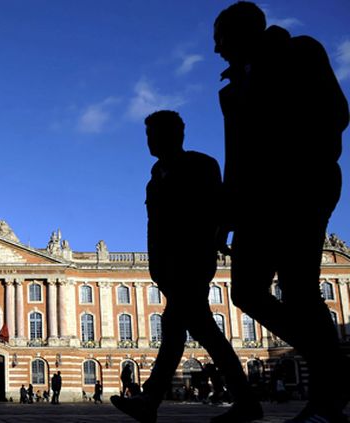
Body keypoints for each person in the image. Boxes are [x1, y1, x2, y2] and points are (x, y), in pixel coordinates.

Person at [214, 2, 349, 422]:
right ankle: (334, 364)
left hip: (303, 184)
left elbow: (337, 114)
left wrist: (293, 156)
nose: (218, 50)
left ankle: (327, 398)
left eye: (221, 40)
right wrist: (226, 214)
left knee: (300, 288)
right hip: (256, 200)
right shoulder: (232, 88)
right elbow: (234, 156)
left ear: (243, 32)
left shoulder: (301, 51)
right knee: (246, 292)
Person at [111, 110, 262, 423]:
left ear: (176, 135)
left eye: (154, 134)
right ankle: (243, 400)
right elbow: (155, 227)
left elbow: (221, 207)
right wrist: (156, 268)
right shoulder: (155, 175)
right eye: (148, 135)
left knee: (185, 331)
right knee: (192, 332)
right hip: (168, 267)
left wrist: (217, 241)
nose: (149, 141)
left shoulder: (201, 165)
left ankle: (151, 399)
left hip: (193, 260)